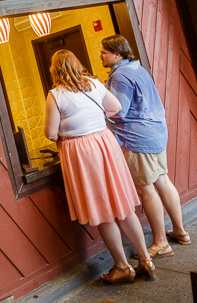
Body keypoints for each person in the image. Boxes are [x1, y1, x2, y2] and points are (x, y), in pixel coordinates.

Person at [44, 50, 154, 283]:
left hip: (82, 151)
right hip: (105, 143)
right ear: (77, 64)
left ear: (55, 70)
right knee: (123, 206)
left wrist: (70, 130)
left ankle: (123, 266)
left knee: (104, 211)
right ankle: (145, 259)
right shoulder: (94, 83)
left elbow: (50, 133)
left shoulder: (56, 95)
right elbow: (116, 107)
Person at [100, 35, 190, 261]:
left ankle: (161, 243)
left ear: (116, 54)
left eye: (103, 52)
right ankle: (179, 231)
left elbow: (118, 111)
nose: (100, 56)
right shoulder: (137, 68)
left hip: (137, 138)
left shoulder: (120, 76)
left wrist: (98, 102)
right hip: (156, 132)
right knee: (163, 181)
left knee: (146, 188)